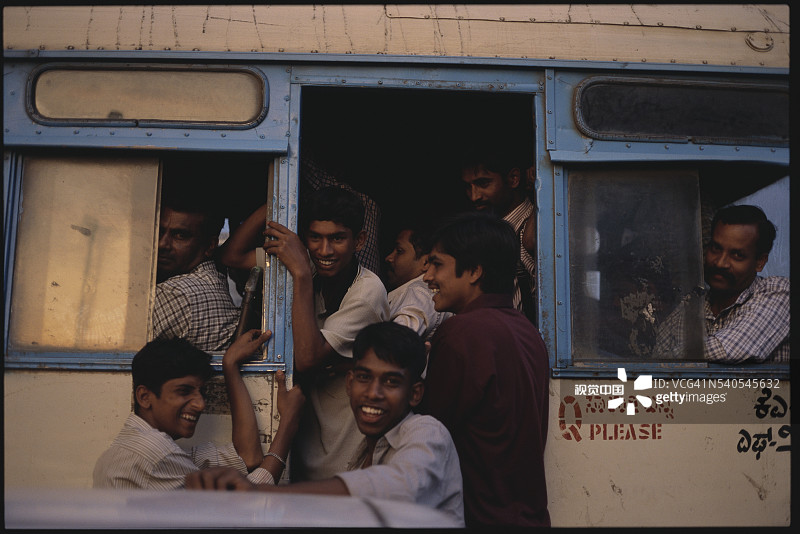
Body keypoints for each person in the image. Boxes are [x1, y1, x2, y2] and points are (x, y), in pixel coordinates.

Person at [185, 322, 464, 526]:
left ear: (414, 393)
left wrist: (258, 492)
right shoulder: (367, 450)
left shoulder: (427, 432)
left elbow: (399, 487)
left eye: (391, 382)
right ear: (350, 382)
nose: (373, 393)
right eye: (365, 378)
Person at [221, 186, 389, 481]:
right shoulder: (306, 262)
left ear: (359, 240)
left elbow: (308, 358)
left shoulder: (367, 292)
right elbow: (232, 255)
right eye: (315, 238)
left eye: (337, 239)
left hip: (344, 450)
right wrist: (277, 198)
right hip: (304, 441)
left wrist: (300, 273)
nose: (324, 251)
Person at [418, 211, 550, 527]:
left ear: (475, 271)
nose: (426, 276)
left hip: (479, 517)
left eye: (437, 264)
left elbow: (432, 433)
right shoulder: (527, 330)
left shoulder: (463, 332)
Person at [93, 330, 305, 489]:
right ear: (144, 397)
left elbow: (246, 458)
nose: (200, 404)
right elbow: (242, 508)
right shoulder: (156, 453)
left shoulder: (138, 445)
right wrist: (287, 424)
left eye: (201, 392)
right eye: (184, 391)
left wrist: (230, 366)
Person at [655, 204, 789, 363]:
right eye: (716, 248)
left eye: (737, 255)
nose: (720, 263)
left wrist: (667, 360)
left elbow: (731, 348)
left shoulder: (779, 293)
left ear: (759, 262)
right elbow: (653, 369)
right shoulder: (686, 311)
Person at [152, 191, 240, 351]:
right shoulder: (210, 281)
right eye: (159, 231)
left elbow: (101, 336)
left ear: (210, 246)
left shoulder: (177, 293)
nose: (162, 244)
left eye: (180, 235)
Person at [461, 150, 538, 323]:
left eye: (483, 183)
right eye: (468, 187)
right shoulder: (485, 233)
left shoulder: (530, 232)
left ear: (513, 179)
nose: (474, 197)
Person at [384, 223, 452, 342]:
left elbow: (394, 344)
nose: (389, 258)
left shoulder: (420, 293)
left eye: (399, 251)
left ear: (425, 262)